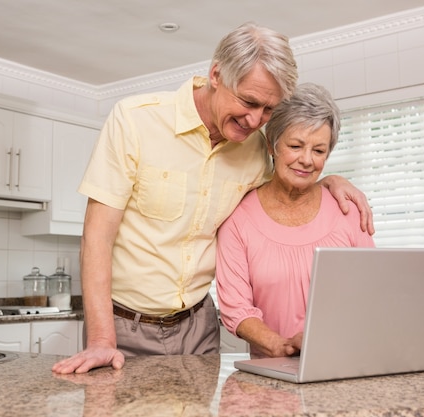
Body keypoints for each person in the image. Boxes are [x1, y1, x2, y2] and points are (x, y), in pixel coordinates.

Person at [52, 22, 374, 375]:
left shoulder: (254, 149)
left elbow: (292, 177)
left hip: (199, 328)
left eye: (268, 110)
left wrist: (329, 179)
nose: (255, 120)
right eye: (249, 101)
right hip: (124, 328)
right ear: (216, 74)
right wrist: (101, 339)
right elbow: (96, 238)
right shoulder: (135, 121)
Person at [216, 83, 375, 359]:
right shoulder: (238, 221)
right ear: (272, 145)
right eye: (295, 145)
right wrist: (281, 346)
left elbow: (372, 292)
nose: (306, 160)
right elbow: (235, 309)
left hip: (345, 364)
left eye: (319, 151)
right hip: (273, 372)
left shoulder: (347, 212)